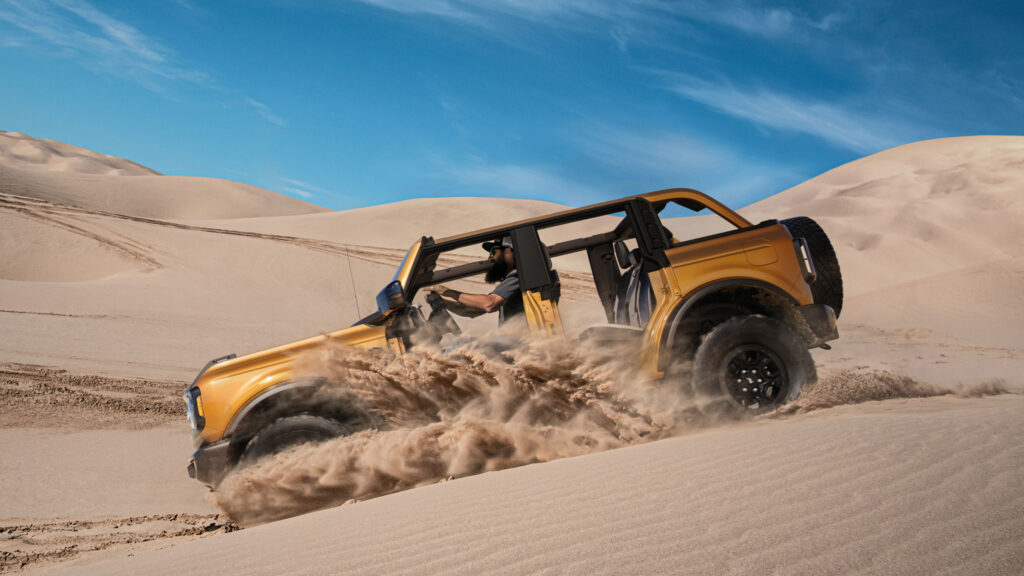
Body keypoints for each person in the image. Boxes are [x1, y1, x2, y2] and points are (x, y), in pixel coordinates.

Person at [429, 236, 524, 326]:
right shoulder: (509, 284)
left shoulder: (518, 277)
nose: (490, 258)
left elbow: (489, 304)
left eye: (494, 252)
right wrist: (443, 303)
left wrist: (447, 292)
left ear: (513, 253)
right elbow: (473, 311)